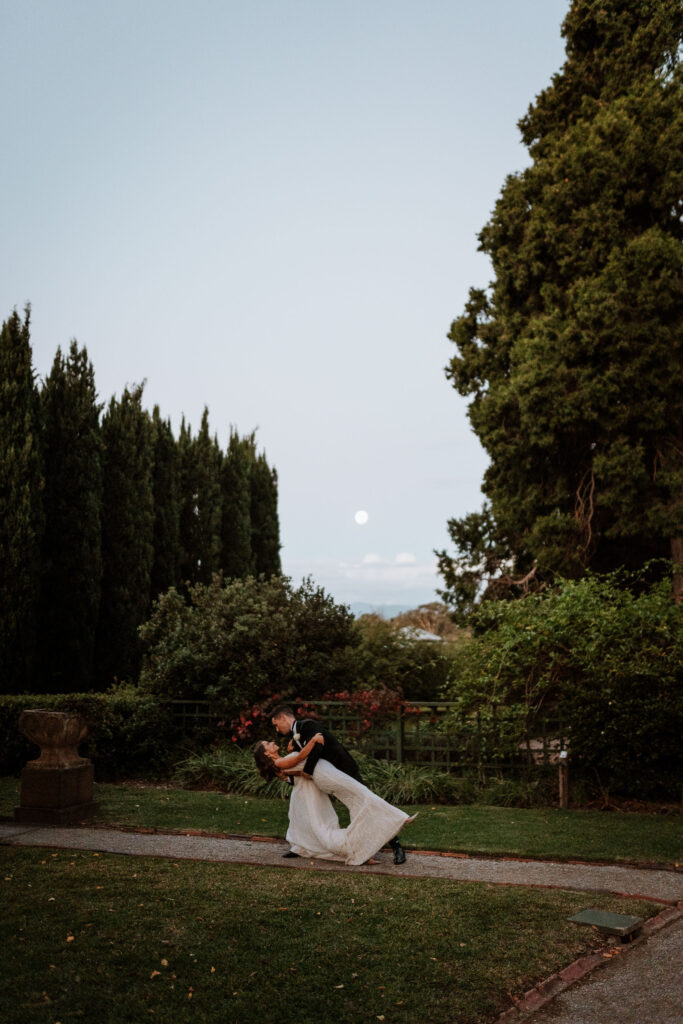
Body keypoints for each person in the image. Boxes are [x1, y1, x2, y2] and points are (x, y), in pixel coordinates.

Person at [269, 704, 409, 864]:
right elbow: (299, 759)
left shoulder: (308, 725)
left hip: (344, 770)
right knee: (305, 807)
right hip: (328, 776)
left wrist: (307, 771)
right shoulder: (294, 739)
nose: (277, 729)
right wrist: (293, 775)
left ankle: (396, 847)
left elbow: (318, 745)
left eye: (276, 725)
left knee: (364, 805)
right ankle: (303, 846)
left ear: (283, 718)